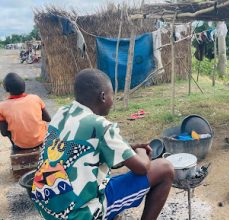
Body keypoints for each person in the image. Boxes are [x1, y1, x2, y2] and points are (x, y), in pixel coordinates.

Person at [30, 68, 174, 220]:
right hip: (79, 215)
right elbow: (142, 168)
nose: (113, 99)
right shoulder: (100, 125)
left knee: (107, 178)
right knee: (165, 168)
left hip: (48, 208)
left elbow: (90, 148)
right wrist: (142, 152)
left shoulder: (62, 113)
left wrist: (128, 148)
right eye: (112, 94)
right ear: (103, 96)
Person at [0, 72, 51, 150]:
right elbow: (48, 119)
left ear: (6, 89)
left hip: (20, 145)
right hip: (41, 141)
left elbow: (4, 133)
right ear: (24, 85)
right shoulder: (35, 98)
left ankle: (16, 146)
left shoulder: (2, 106)